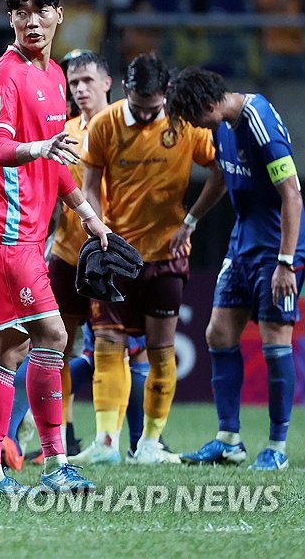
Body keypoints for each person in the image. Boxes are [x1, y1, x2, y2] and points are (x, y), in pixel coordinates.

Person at [0, 0, 108, 494]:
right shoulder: (5, 76)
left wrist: (86, 213)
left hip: (15, 230)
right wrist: (38, 149)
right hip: (5, 231)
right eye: (20, 11)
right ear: (10, 19)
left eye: (40, 10)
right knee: (53, 336)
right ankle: (56, 464)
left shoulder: (56, 78)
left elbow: (58, 160)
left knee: (10, 344)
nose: (31, 20)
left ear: (58, 15)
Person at [78, 54, 226, 466]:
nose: (146, 115)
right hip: (116, 255)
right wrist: (99, 228)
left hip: (166, 254)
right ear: (126, 90)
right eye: (140, 107)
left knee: (161, 347)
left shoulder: (182, 122)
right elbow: (90, 185)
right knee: (108, 342)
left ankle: (149, 444)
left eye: (154, 108)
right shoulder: (105, 123)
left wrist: (192, 220)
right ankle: (106, 442)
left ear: (165, 96)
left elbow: (222, 169)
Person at [167, 68, 304, 471]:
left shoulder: (260, 123)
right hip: (243, 245)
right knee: (219, 333)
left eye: (195, 118)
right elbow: (221, 176)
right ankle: (229, 440)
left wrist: (285, 263)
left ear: (210, 105)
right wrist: (191, 220)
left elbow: (292, 196)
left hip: (278, 249)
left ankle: (277, 447)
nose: (194, 126)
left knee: (275, 340)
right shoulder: (221, 124)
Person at [44, 49, 112, 460]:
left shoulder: (122, 126)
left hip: (107, 254)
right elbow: (53, 194)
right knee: (59, 346)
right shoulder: (64, 132)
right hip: (68, 254)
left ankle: (127, 437)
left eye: (88, 80)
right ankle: (64, 434)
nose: (80, 89)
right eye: (74, 83)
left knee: (116, 345)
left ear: (107, 82)